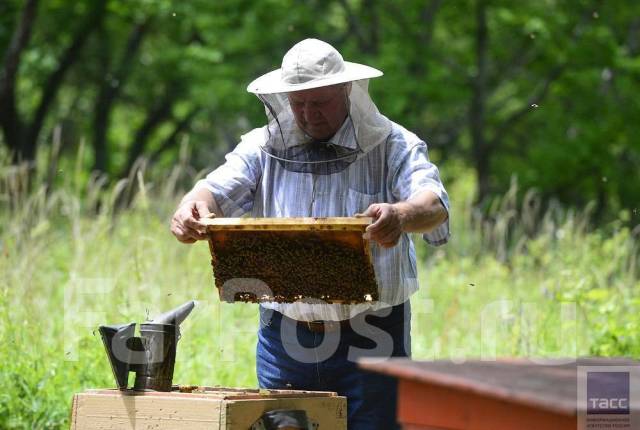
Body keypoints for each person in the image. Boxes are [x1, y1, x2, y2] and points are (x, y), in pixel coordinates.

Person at [171, 38, 450, 429]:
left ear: (347, 92)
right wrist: (191, 208)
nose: (307, 114)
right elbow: (215, 189)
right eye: (298, 103)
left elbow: (433, 203)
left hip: (373, 333)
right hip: (284, 336)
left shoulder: (393, 143)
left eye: (319, 103)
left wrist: (400, 215)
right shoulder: (262, 145)